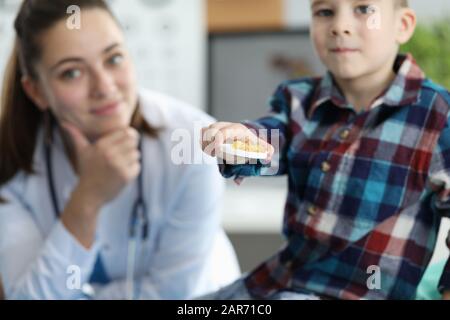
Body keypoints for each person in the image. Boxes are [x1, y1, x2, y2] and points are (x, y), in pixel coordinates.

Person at [201, 0, 450, 300]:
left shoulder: (438, 115)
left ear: (403, 25)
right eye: (324, 12)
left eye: (363, 9)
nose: (339, 25)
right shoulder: (297, 98)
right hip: (274, 283)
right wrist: (241, 139)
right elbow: (270, 139)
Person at [0, 0, 240, 300]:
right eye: (72, 73)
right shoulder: (13, 160)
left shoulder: (194, 142)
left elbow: (173, 294)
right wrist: (86, 200)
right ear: (36, 91)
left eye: (113, 59)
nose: (104, 87)